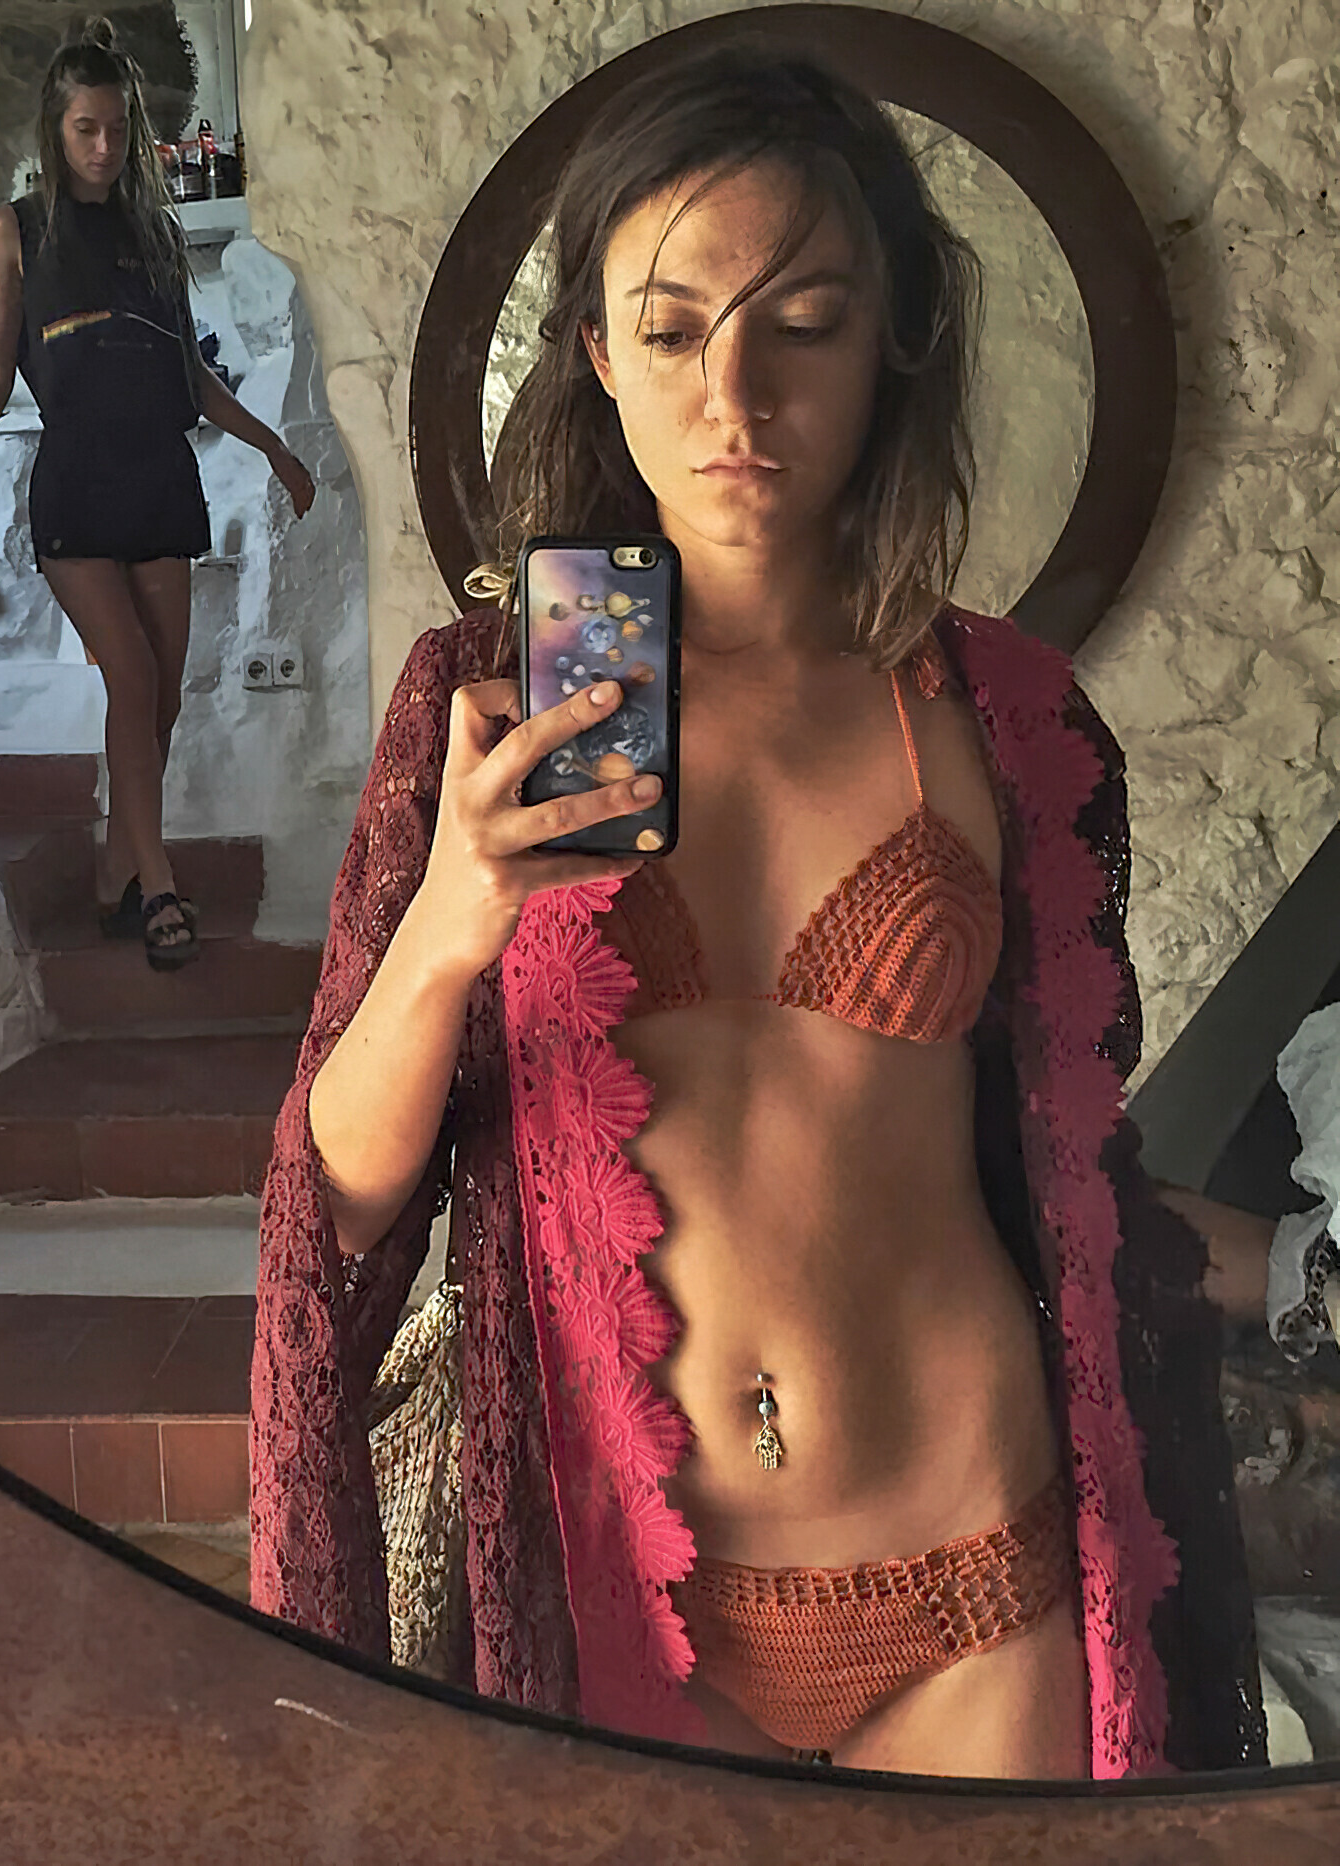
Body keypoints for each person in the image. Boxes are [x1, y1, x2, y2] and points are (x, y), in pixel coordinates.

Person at [250, 49, 1267, 1777]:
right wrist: (449, 924)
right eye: (671, 330)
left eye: (803, 321)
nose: (736, 393)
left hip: (976, 1562)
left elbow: (1073, 1182)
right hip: (632, 1592)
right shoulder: (481, 705)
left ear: (893, 338)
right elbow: (331, 1201)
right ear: (597, 354)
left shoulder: (1007, 720)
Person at [0, 16, 315, 969]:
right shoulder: (17, 230)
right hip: (78, 485)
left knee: (160, 700)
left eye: (117, 129)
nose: (103, 147)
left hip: (160, 477)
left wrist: (276, 450)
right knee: (130, 675)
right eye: (86, 129)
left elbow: (192, 377)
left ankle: (113, 875)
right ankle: (158, 882)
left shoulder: (153, 230)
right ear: (57, 130)